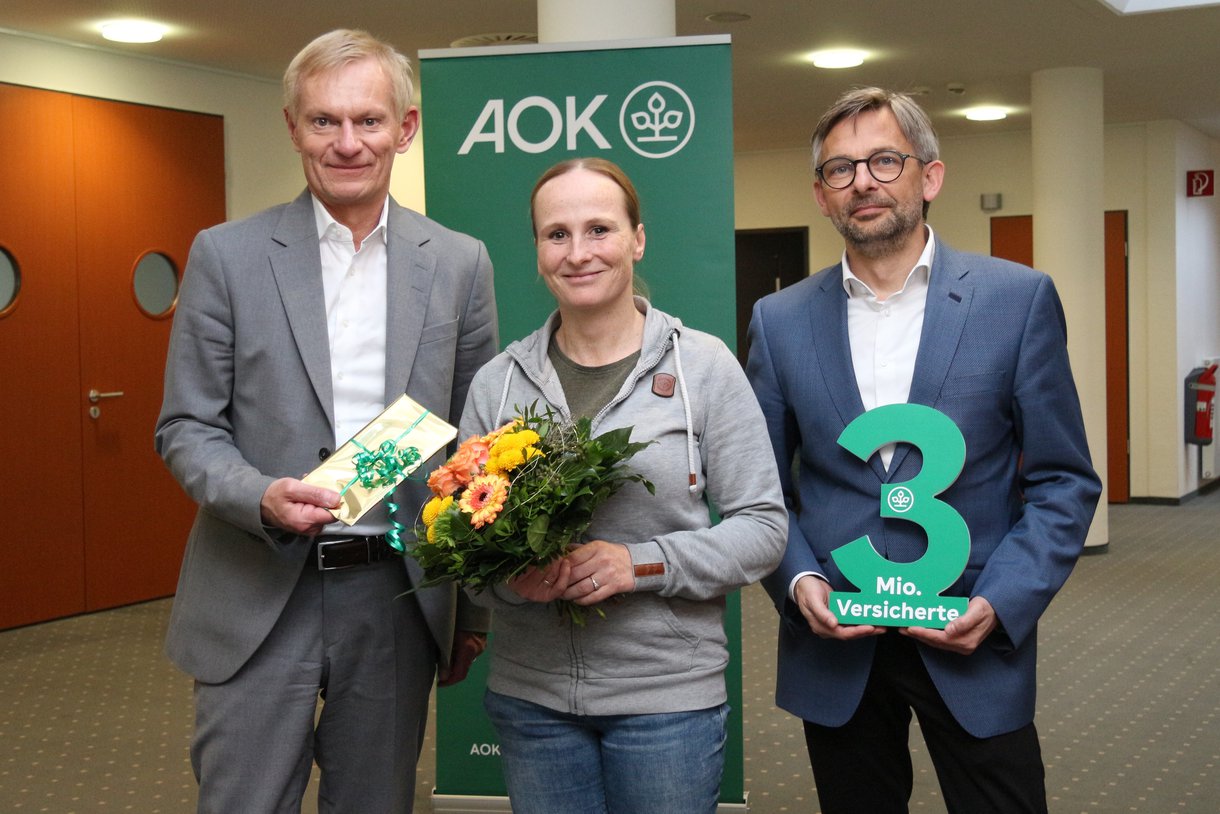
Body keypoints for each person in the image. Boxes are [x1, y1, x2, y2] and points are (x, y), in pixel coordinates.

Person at [154, 29, 498, 813]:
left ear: (404, 129)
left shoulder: (457, 262)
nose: (348, 143)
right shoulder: (227, 256)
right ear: (292, 126)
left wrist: (468, 608)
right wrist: (259, 496)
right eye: (324, 122)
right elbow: (185, 428)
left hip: (393, 599)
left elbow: (474, 449)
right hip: (254, 587)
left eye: (369, 121)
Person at [745, 87, 1102, 813]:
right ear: (821, 194)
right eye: (840, 169)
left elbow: (1064, 481)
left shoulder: (1017, 299)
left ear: (929, 177)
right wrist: (799, 582)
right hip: (837, 637)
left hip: (970, 633)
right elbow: (759, 486)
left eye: (883, 160)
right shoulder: (778, 321)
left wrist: (1002, 602)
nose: (864, 182)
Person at [458, 157, 787, 814]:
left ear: (637, 239)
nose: (579, 253)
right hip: (534, 701)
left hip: (666, 705)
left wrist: (637, 563)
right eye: (557, 234)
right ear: (538, 251)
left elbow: (763, 528)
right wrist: (509, 581)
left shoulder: (703, 368)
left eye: (600, 229)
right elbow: (466, 555)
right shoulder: (497, 385)